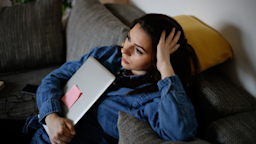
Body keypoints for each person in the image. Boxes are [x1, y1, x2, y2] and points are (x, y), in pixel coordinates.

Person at [24, 13, 201, 144]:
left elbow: (181, 132)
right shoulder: (109, 55)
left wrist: (166, 67)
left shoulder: (152, 99)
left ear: (157, 60)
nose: (125, 50)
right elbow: (55, 77)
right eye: (128, 39)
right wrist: (51, 117)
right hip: (38, 129)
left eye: (138, 50)